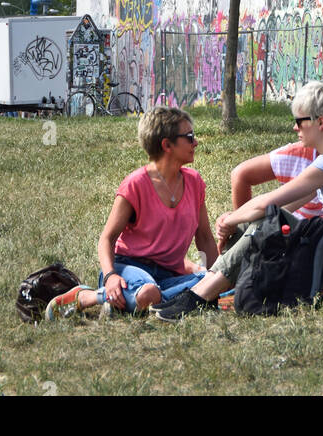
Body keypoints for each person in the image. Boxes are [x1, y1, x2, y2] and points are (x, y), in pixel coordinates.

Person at [155, 81, 323, 321]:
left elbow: (270, 204)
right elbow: (287, 206)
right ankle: (213, 287)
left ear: (320, 122)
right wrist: (238, 222)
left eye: (300, 121)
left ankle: (200, 296)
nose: (295, 127)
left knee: (268, 220)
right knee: (260, 223)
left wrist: (230, 220)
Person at [47, 107, 217, 318]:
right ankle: (91, 296)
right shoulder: (136, 184)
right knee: (150, 292)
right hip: (127, 268)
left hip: (170, 274)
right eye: (189, 137)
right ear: (166, 145)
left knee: (211, 283)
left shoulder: (194, 182)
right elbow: (107, 239)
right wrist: (110, 276)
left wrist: (215, 276)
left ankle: (126, 302)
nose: (196, 143)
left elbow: (205, 238)